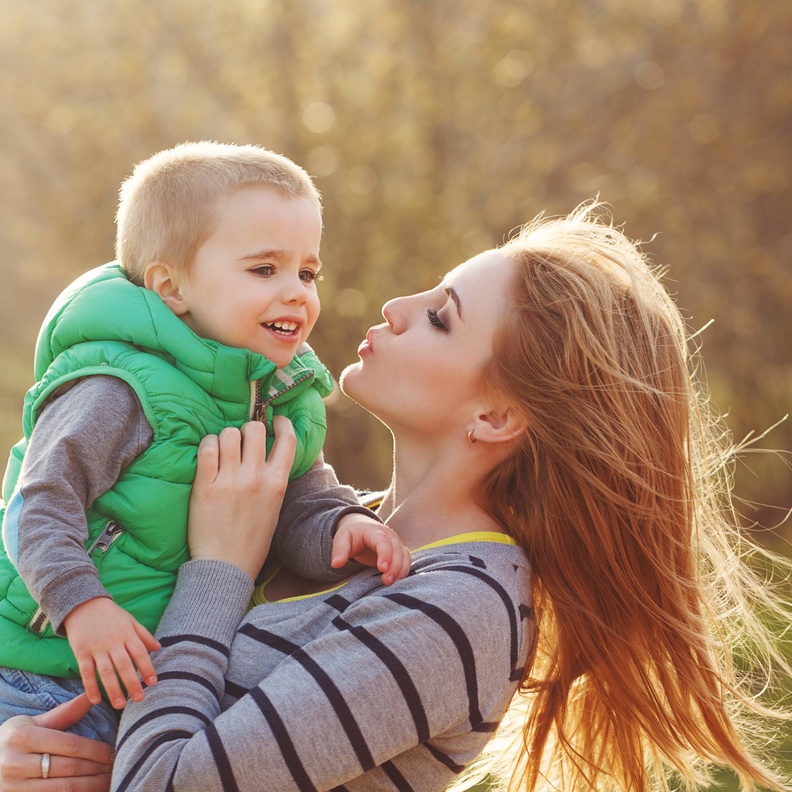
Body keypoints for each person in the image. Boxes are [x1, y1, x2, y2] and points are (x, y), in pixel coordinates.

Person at [0, 203, 789, 791]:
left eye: (441, 318)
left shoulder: (460, 611)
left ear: (497, 416)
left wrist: (219, 570)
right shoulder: (344, 534)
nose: (395, 308)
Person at [0, 142, 404, 737]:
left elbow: (301, 500)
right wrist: (83, 606)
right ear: (172, 288)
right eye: (265, 269)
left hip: (155, 675)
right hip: (37, 671)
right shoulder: (119, 387)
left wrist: (341, 528)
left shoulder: (283, 395)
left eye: (308, 272)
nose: (297, 291)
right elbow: (37, 504)